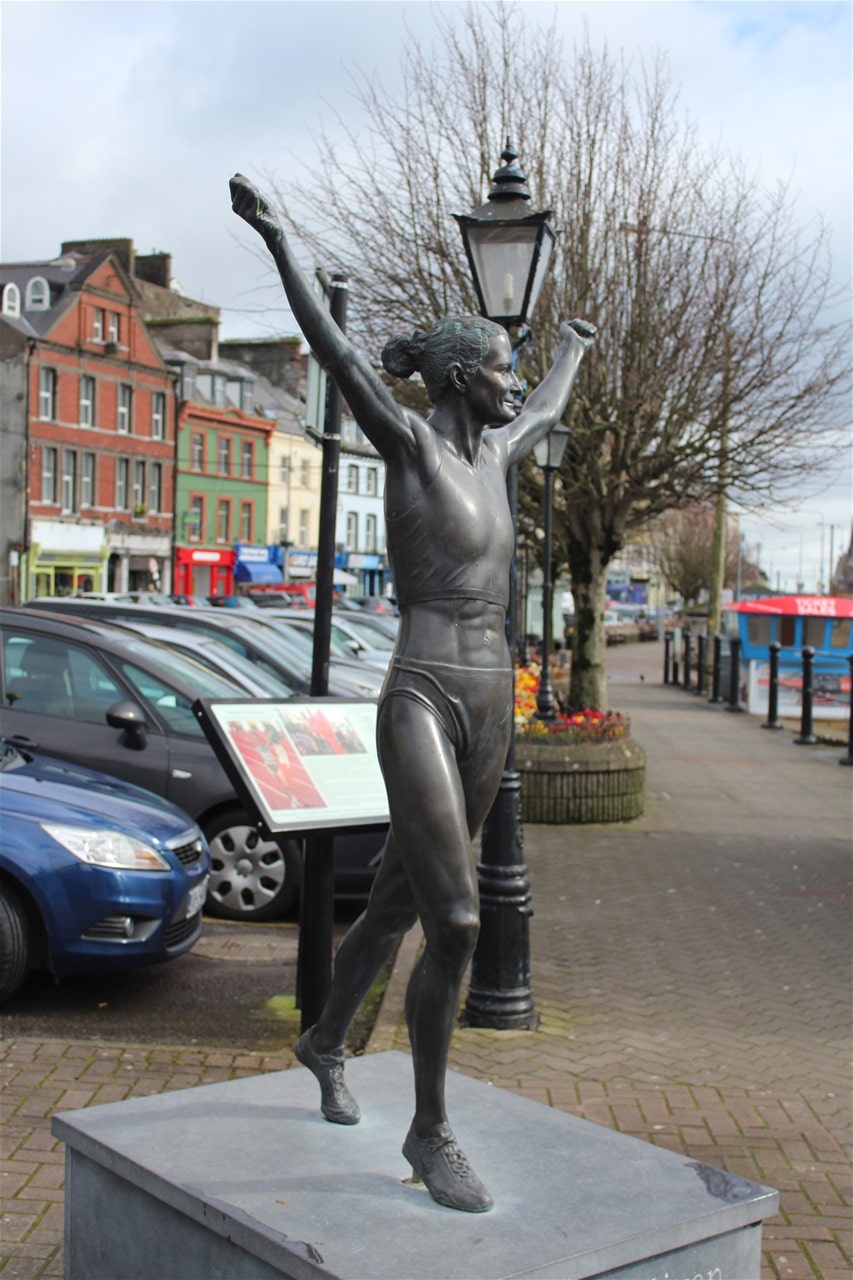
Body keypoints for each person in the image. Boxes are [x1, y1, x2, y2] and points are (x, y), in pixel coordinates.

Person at [230, 174, 596, 1213]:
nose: (509, 378)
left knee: (397, 899)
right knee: (459, 920)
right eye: (499, 363)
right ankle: (431, 1128)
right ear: (454, 375)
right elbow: (334, 346)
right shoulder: (412, 444)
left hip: (493, 708)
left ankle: (318, 1035)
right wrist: (280, 236)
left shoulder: (503, 455)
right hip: (424, 696)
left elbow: (554, 403)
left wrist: (567, 345)